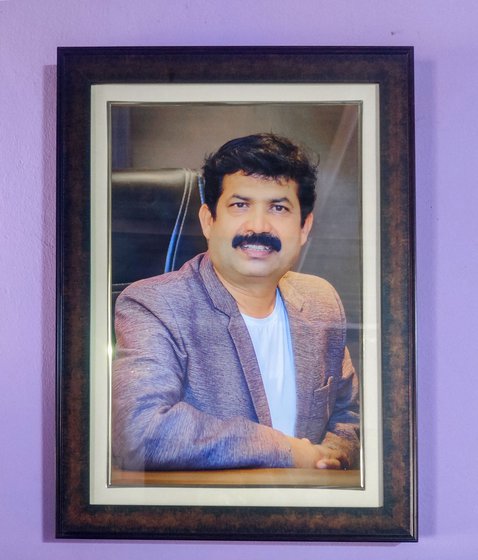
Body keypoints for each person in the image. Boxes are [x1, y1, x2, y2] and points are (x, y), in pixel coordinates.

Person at [112, 133, 360, 472]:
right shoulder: (153, 305)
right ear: (209, 221)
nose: (258, 226)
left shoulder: (322, 301)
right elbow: (138, 432)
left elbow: (349, 415)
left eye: (278, 207)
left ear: (304, 227)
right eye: (240, 205)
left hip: (311, 520)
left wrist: (332, 455)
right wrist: (285, 450)